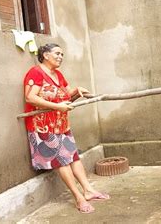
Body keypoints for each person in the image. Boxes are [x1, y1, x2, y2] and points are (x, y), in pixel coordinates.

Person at [23, 43, 109, 213]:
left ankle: (89, 190)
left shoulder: (58, 75)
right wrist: (57, 107)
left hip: (61, 123)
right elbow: (30, 97)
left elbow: (67, 95)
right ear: (45, 55)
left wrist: (77, 91)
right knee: (62, 160)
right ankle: (78, 197)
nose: (60, 57)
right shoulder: (36, 72)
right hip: (43, 126)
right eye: (57, 53)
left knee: (73, 157)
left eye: (62, 54)